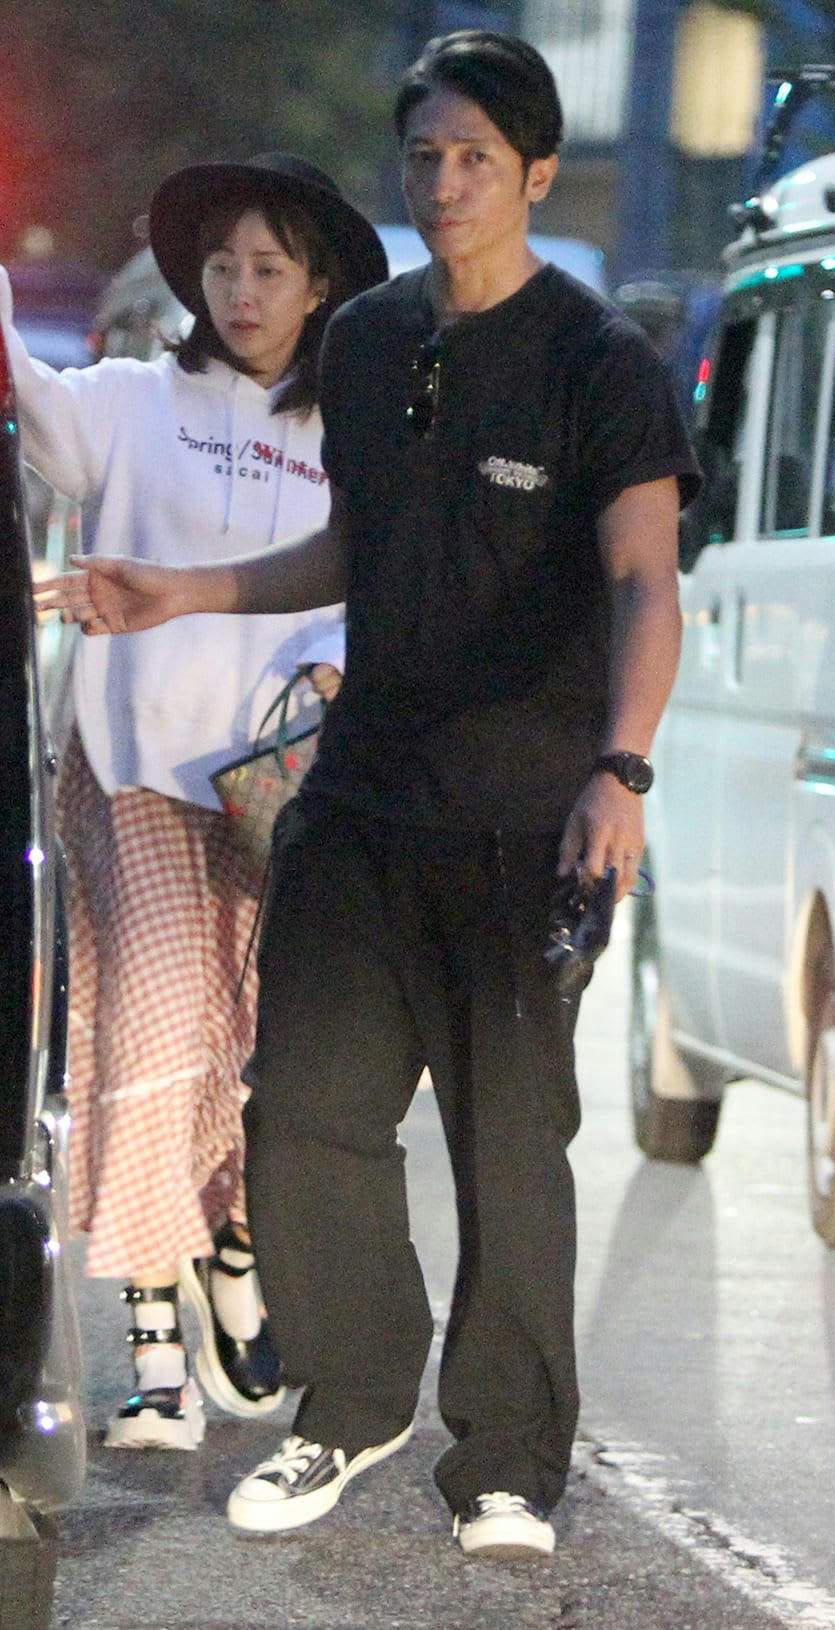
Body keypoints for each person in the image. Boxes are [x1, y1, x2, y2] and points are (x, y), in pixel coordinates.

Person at [35, 32, 700, 1552]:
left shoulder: (601, 362)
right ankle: (349, 1402)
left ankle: (509, 1457)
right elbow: (355, 546)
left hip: (527, 818)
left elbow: (645, 583)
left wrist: (621, 768)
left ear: (537, 173)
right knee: (303, 1117)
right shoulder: (373, 340)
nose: (446, 183)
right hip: (359, 803)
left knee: (508, 1147)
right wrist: (185, 590)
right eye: (426, 158)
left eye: (476, 159)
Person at [11, 152, 387, 1449]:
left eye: (270, 268)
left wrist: (328, 668)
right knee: (152, 1036)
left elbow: (368, 584)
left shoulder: (347, 429)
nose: (241, 289)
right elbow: (28, 397)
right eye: (222, 265)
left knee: (252, 1044)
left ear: (319, 285)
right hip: (136, 774)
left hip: (282, 790)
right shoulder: (129, 402)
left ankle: (231, 1241)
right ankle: (154, 1352)